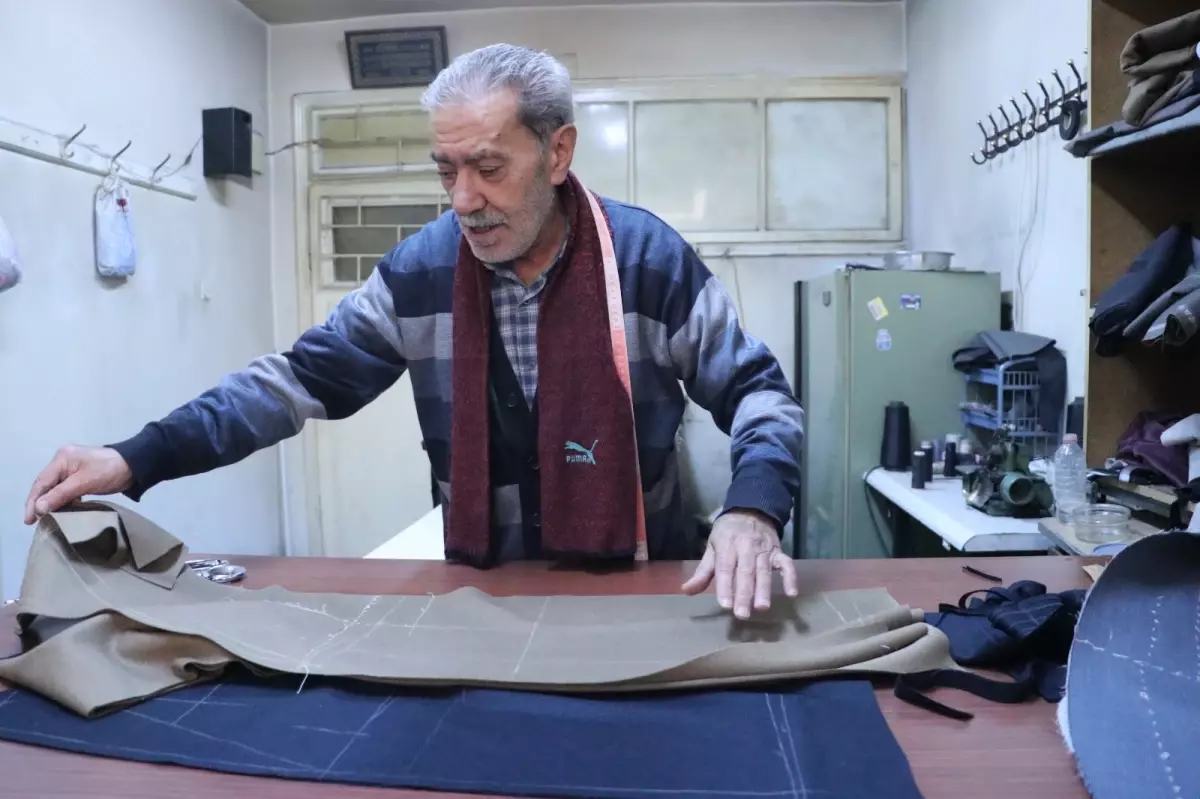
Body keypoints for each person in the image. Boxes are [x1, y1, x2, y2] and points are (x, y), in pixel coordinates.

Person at [24, 44, 805, 620]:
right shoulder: (419, 273)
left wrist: (753, 509)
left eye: (488, 168)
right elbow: (294, 381)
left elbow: (762, 396)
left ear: (558, 152)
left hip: (644, 586)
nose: (462, 200)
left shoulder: (646, 261)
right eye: (446, 170)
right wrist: (138, 455)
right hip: (481, 594)